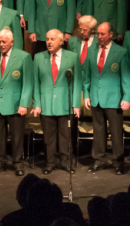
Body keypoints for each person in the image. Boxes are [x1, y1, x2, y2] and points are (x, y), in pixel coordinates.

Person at [83, 22, 130, 175]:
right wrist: (86, 95)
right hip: (96, 97)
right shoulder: (92, 51)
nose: (100, 37)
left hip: (113, 98)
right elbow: (87, 76)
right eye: (98, 34)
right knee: (98, 130)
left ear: (111, 34)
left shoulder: (121, 52)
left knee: (116, 131)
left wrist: (127, 97)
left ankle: (118, 162)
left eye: (103, 34)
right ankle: (99, 159)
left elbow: (126, 77)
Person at [0, 29, 33, 176]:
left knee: (17, 136)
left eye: (4, 42)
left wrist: (24, 104)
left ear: (12, 42)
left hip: (16, 104)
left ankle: (18, 163)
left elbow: (28, 83)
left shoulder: (23, 57)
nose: (1, 44)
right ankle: (0, 161)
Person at [32, 29, 82, 174]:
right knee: (49, 137)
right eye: (47, 39)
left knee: (66, 136)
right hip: (47, 104)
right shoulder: (39, 57)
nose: (49, 42)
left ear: (61, 41)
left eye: (52, 39)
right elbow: (36, 83)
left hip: (65, 104)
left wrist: (75, 104)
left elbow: (77, 82)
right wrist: (37, 104)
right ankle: (50, 162)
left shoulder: (72, 57)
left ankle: (66, 162)